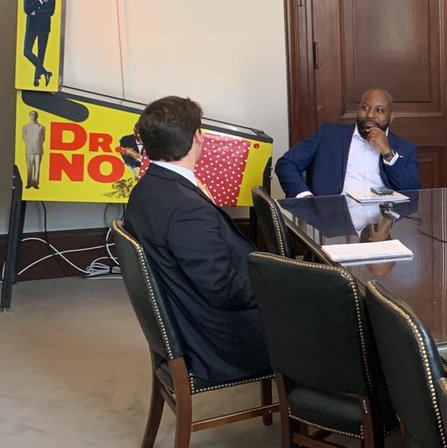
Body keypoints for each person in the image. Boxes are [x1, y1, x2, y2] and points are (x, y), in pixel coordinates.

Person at [123, 96, 269, 384]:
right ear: (197, 137)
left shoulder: (146, 189)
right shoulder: (186, 208)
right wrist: (274, 287)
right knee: (336, 315)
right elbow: (221, 289)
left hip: (189, 319)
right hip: (218, 342)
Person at [276, 88, 420, 197]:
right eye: (365, 108)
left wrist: (388, 153)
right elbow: (286, 164)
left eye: (379, 110)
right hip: (334, 219)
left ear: (390, 118)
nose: (370, 115)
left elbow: (412, 191)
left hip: (384, 220)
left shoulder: (405, 148)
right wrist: (305, 198)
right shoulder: (328, 135)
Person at [23, 0, 56, 88]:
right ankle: (45, 72)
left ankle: (36, 79)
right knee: (27, 52)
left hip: (44, 28)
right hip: (31, 27)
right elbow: (27, 9)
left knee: (41, 53)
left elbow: (50, 12)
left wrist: (35, 12)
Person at [22, 111, 45, 189]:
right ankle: (29, 182)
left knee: (37, 167)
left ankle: (35, 183)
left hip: (38, 149)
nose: (33, 116)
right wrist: (30, 144)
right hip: (29, 149)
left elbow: (43, 138)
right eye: (31, 114)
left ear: (37, 116)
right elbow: (24, 138)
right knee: (29, 167)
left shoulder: (41, 127)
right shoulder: (25, 127)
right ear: (29, 116)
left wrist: (36, 143)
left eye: (35, 115)